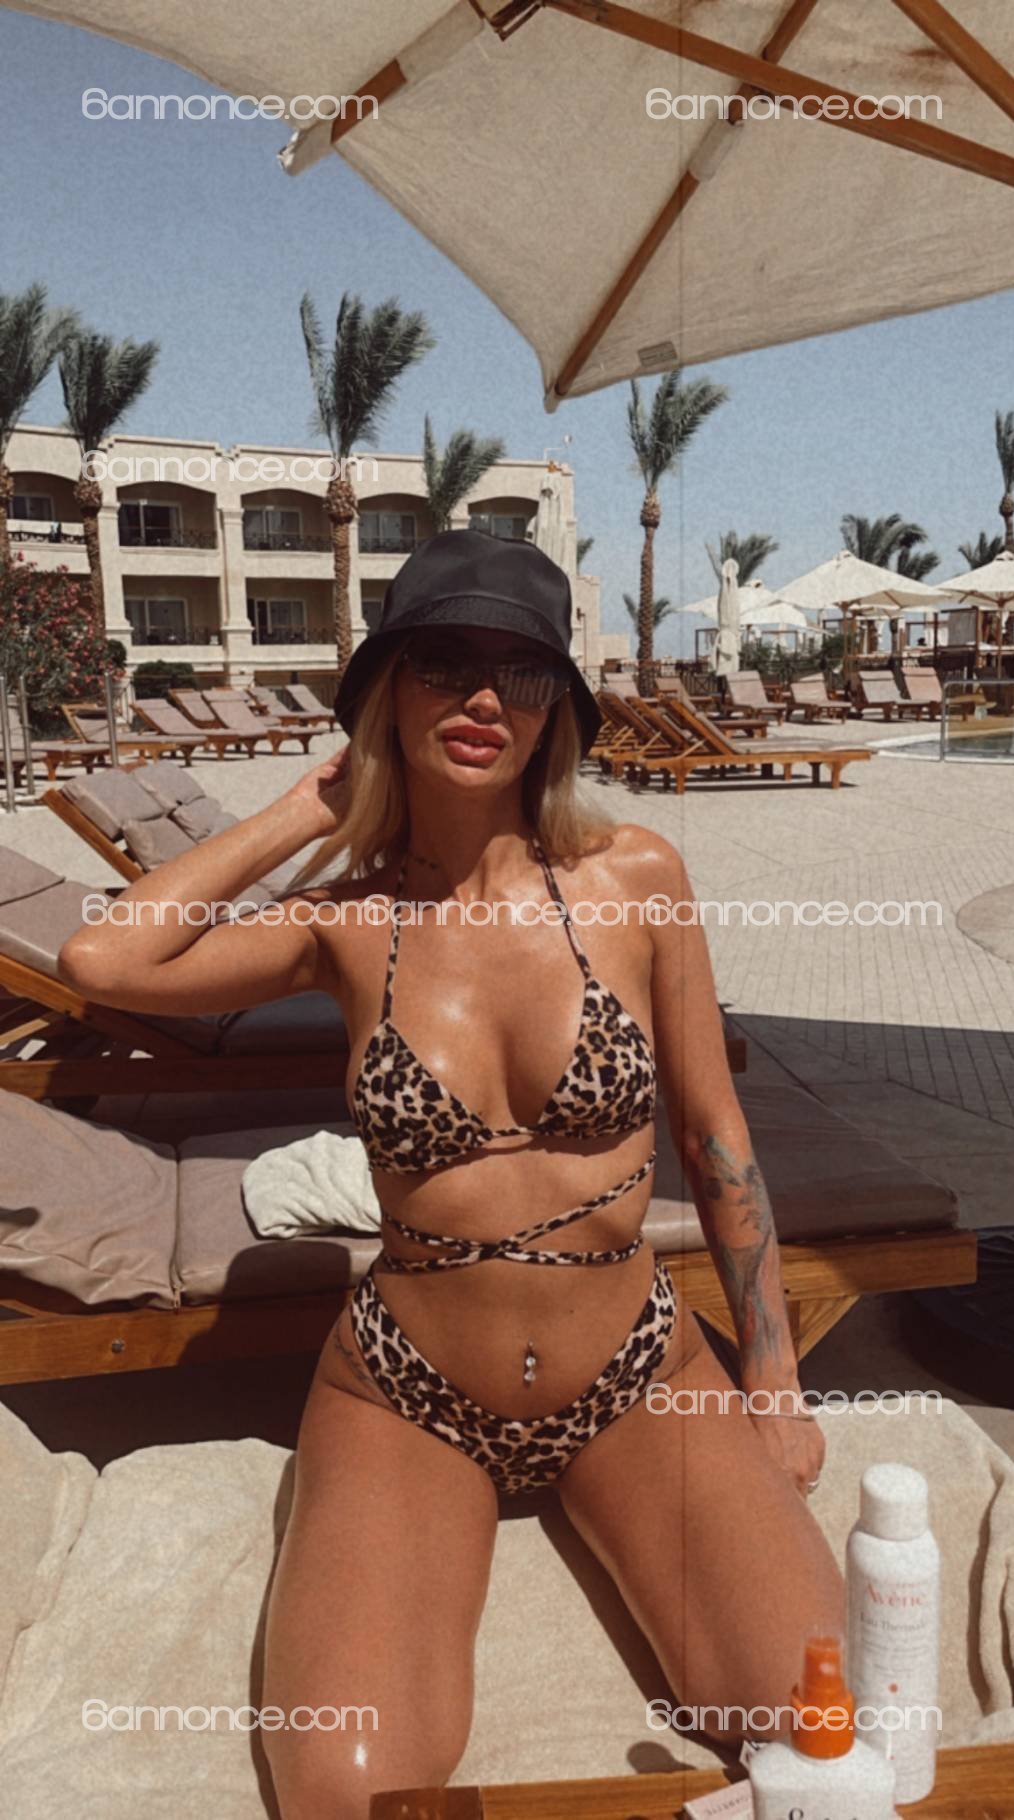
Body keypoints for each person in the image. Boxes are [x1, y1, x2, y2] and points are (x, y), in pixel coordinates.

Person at [57, 530, 843, 1816]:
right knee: (348, 1790)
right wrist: (307, 809)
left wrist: (774, 1381)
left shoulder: (636, 877)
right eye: (442, 662)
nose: (484, 696)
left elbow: (716, 1139)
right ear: (386, 691)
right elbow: (104, 962)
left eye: (521, 672)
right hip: (408, 1389)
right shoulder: (344, 920)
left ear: (554, 714)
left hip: (635, 1369)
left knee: (812, 1732)